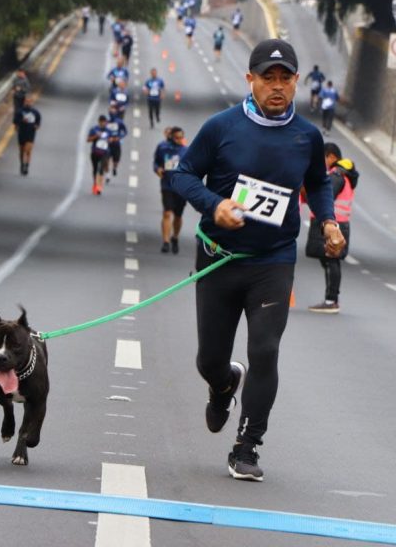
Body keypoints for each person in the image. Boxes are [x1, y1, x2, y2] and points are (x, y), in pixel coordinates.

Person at [170, 39, 345, 482]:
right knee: (209, 358)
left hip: (273, 261)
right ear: (250, 80)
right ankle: (224, 381)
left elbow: (318, 184)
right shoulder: (221, 127)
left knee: (265, 351)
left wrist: (326, 222)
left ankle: (247, 445)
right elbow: (183, 175)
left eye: (286, 78)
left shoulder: (307, 136)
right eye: (268, 78)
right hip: (219, 257)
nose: (277, 87)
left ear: (296, 83)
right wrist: (215, 206)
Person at [305, 142, 358, 314]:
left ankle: (331, 300)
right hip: (336, 223)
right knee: (327, 260)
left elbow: (326, 196)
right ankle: (330, 298)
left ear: (332, 157)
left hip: (334, 224)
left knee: (331, 260)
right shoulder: (342, 174)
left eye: (323, 158)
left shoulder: (337, 175)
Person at [154, 126, 188, 254]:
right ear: (171, 137)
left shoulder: (187, 151)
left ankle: (175, 237)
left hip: (181, 187)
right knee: (167, 213)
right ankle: (166, 241)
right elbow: (156, 163)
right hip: (167, 185)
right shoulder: (163, 148)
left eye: (181, 137)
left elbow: (194, 167)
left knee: (178, 216)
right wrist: (158, 169)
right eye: (177, 138)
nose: (179, 140)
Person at [12, 94, 41, 176]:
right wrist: (20, 124)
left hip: (30, 134)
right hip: (22, 133)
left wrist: (35, 127)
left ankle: (26, 166)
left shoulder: (36, 113)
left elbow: (38, 124)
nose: (28, 103)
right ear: (24, 102)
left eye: (30, 101)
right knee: (21, 150)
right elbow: (15, 123)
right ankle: (21, 164)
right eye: (27, 101)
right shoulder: (20, 112)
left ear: (32, 102)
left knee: (28, 150)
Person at [87, 115, 111, 195]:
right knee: (95, 169)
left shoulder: (108, 131)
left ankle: (99, 187)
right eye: (102, 122)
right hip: (95, 152)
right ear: (99, 122)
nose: (104, 124)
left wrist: (109, 140)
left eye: (105, 122)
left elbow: (111, 140)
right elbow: (88, 140)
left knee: (101, 169)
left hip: (104, 152)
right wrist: (96, 136)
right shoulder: (94, 129)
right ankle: (95, 183)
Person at [106, 104, 128, 180]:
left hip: (116, 144)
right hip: (108, 144)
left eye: (113, 109)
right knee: (107, 159)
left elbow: (125, 132)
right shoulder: (106, 122)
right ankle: (108, 174)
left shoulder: (119, 122)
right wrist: (107, 138)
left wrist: (119, 137)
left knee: (116, 160)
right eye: (110, 109)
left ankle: (114, 168)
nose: (112, 111)